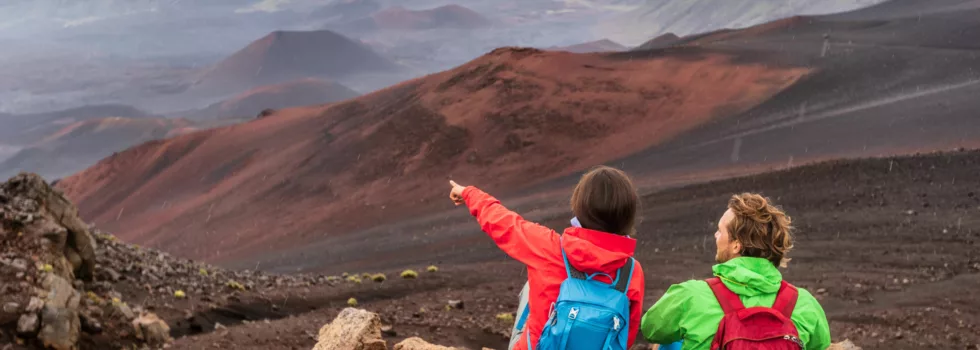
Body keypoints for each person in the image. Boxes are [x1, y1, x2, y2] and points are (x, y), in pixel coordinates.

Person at [449, 166, 645, 350]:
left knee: (531, 286)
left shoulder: (548, 248)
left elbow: (503, 223)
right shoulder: (632, 272)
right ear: (628, 215)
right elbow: (626, 334)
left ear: (580, 207)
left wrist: (469, 193)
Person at [640, 193, 831, 350]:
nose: (716, 236)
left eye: (720, 231)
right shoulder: (804, 303)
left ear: (736, 246)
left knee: (669, 342)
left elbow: (650, 329)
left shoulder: (691, 296)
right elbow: (822, 345)